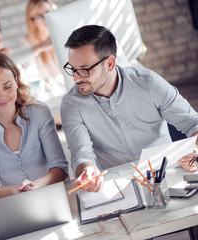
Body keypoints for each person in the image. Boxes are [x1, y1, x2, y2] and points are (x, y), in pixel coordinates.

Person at [60, 25, 198, 192]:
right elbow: (81, 153)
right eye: (73, 69)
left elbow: (192, 123)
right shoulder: (71, 105)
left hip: (167, 173)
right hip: (118, 186)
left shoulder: (148, 82)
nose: (75, 78)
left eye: (84, 70)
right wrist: (87, 169)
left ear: (110, 63)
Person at [0, 53, 68, 202]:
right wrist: (17, 190)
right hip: (14, 204)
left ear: (16, 82)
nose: (2, 96)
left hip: (54, 196)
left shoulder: (39, 112)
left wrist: (34, 187)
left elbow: (60, 167)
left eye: (7, 87)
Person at [22, 0, 65, 97]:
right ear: (33, 21)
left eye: (48, 13)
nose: (46, 19)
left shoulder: (65, 33)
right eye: (41, 16)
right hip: (52, 95)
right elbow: (31, 74)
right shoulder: (28, 42)